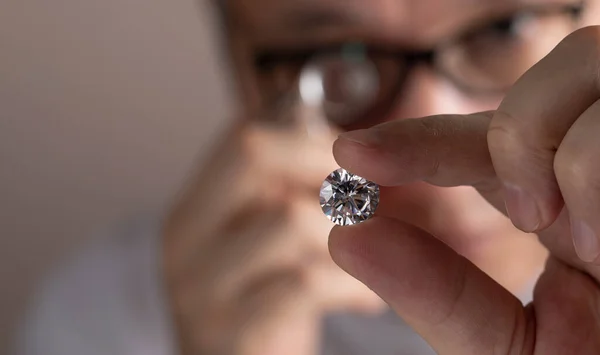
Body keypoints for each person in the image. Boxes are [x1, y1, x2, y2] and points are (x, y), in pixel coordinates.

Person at [15, 0, 600, 354]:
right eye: (334, 53)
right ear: (238, 66)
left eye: (503, 27)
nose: (426, 122)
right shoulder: (104, 321)